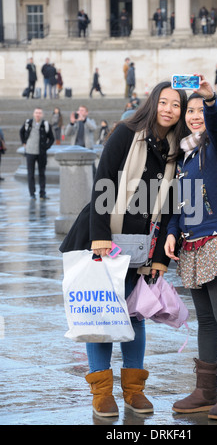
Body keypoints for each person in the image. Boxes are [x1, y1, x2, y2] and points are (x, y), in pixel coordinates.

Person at [59, 81, 188, 418]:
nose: (168, 109)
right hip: (105, 236)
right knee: (101, 313)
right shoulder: (126, 132)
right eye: (164, 102)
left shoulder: (177, 149)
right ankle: (102, 394)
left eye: (176, 105)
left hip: (143, 245)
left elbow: (172, 205)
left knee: (134, 314)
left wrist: (160, 257)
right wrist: (99, 236)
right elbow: (103, 179)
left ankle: (134, 390)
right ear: (153, 103)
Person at [164, 76, 217, 421]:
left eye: (199, 110)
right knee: (206, 321)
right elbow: (179, 204)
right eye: (191, 110)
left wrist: (211, 101)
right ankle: (205, 390)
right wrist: (171, 232)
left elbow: (216, 125)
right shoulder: (186, 156)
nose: (194, 115)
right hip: (192, 244)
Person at [20, 108, 54, 200]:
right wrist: (24, 142)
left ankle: (42, 193)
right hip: (30, 152)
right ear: (33, 114)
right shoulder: (28, 123)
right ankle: (32, 194)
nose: (38, 114)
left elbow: (51, 138)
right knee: (30, 174)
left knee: (42, 173)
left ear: (42, 114)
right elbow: (21, 132)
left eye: (39, 113)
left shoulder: (45, 124)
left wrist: (46, 147)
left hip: (41, 153)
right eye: (36, 113)